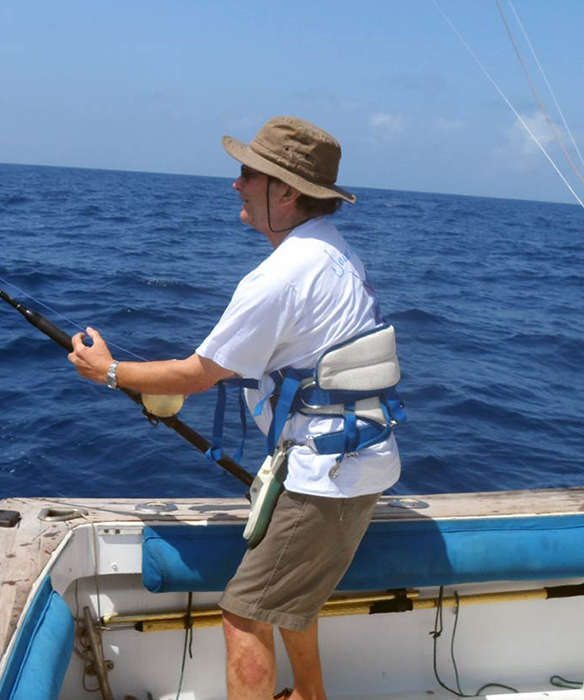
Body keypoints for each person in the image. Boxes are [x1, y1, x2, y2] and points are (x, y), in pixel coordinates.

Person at [69, 116, 401, 700]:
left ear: (287, 191)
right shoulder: (333, 253)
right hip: (349, 455)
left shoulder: (280, 277)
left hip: (326, 475)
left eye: (249, 173)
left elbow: (195, 375)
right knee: (284, 600)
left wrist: (110, 372)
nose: (237, 185)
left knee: (244, 613)